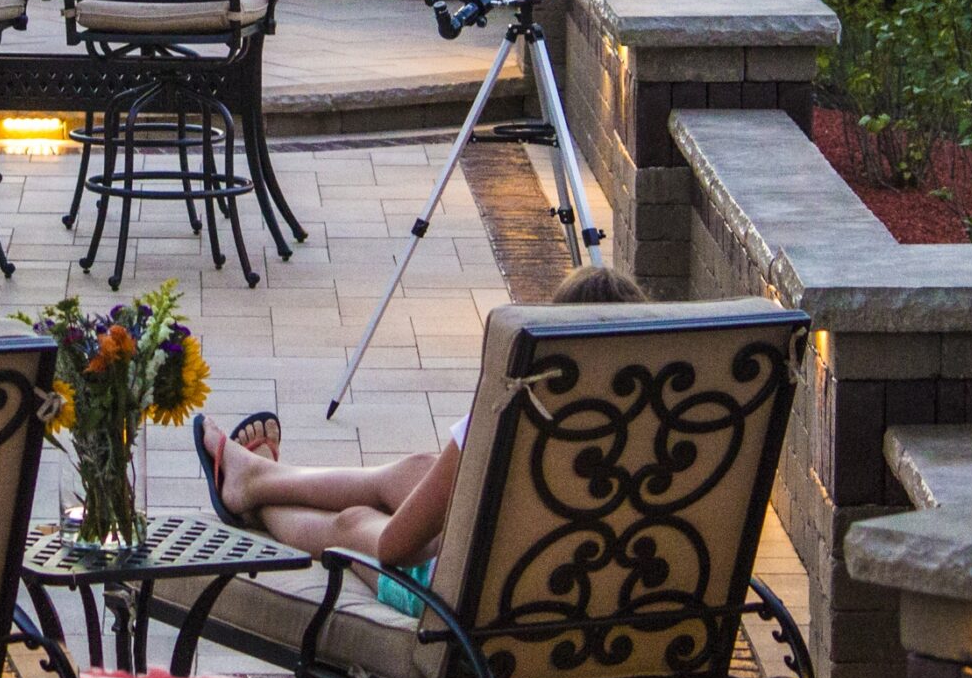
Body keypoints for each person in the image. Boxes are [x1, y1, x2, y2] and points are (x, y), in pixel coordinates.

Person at [195, 263, 646, 616]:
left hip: (467, 603)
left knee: (355, 523)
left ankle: (254, 496)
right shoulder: (660, 436)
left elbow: (395, 547)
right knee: (416, 468)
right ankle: (257, 477)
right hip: (593, 597)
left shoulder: (507, 417)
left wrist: (433, 540)